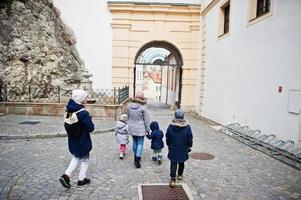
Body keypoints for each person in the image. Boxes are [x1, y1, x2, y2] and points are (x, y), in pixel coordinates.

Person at [59, 89, 94, 188]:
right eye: (85, 97)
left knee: (77, 156)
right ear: (81, 100)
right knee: (84, 158)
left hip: (73, 139)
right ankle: (77, 178)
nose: (87, 99)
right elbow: (91, 128)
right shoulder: (83, 113)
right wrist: (89, 120)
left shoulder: (69, 109)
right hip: (82, 140)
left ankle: (72, 177)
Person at [166, 109, 193, 188]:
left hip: (173, 147)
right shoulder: (187, 127)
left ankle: (173, 179)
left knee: (173, 163)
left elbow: (168, 137)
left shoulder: (171, 126)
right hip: (183, 147)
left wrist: (169, 144)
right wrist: (189, 145)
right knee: (181, 161)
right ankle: (180, 174)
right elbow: (190, 138)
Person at [127, 90, 150, 168]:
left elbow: (128, 115)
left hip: (132, 126)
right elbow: (146, 120)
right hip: (140, 127)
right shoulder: (143, 106)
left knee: (134, 142)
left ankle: (135, 157)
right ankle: (137, 160)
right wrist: (148, 129)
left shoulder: (129, 105)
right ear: (142, 97)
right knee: (140, 143)